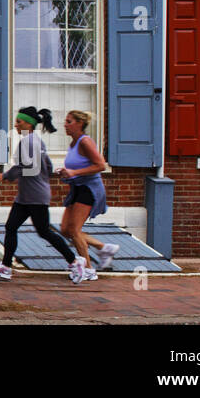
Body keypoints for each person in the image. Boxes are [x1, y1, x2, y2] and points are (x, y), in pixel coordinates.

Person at [0, 107, 78, 281]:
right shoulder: (37, 141)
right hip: (28, 196)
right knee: (11, 227)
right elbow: (48, 166)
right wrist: (42, 177)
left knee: (44, 232)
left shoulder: (27, 143)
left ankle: (74, 261)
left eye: (19, 122)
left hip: (34, 197)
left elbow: (21, 167)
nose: (16, 124)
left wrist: (5, 176)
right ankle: (5, 266)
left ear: (29, 123)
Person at [54, 109, 120, 283]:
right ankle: (103, 247)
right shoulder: (73, 144)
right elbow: (76, 167)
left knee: (74, 231)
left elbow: (100, 165)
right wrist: (65, 172)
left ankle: (89, 270)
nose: (65, 125)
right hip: (77, 188)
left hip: (89, 189)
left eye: (69, 122)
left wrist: (74, 171)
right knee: (65, 230)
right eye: (65, 121)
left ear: (80, 124)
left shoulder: (85, 142)